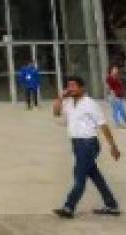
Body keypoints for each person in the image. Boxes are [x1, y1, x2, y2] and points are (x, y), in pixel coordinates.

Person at [52, 75, 122, 219]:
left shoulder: (90, 104)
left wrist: (113, 146)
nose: (70, 88)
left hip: (88, 144)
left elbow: (103, 125)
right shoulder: (69, 102)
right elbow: (56, 113)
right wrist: (60, 98)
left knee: (79, 175)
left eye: (73, 86)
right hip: (77, 144)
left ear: (81, 88)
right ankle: (112, 205)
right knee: (95, 175)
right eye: (68, 86)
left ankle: (69, 207)